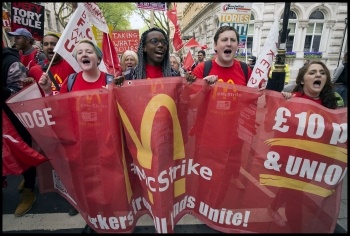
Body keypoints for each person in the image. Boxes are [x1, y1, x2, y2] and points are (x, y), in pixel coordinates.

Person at [38, 39, 113, 233]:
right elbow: (59, 110)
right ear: (77, 59)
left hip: (106, 146)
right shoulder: (71, 82)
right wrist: (47, 92)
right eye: (80, 53)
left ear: (98, 57)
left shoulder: (110, 80)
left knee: (107, 185)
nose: (84, 54)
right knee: (86, 186)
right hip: (80, 146)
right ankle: (93, 222)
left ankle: (109, 221)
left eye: (89, 51)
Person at [270, 61, 338, 231]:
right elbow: (273, 124)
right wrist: (283, 102)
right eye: (312, 72)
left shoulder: (331, 103)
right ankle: (296, 227)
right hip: (290, 159)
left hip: (314, 159)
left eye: (322, 73)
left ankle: (272, 207)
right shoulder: (293, 100)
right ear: (302, 80)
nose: (318, 75)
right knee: (296, 195)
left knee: (291, 188)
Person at [188, 26, 255, 196]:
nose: (229, 43)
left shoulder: (246, 71)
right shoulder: (203, 69)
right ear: (216, 46)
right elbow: (191, 104)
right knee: (205, 179)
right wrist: (204, 88)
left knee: (224, 180)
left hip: (233, 138)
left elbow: (252, 102)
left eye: (233, 40)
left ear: (237, 46)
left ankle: (216, 211)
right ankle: (202, 208)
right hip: (207, 137)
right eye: (224, 40)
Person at [28, 33, 78, 216]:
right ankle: (65, 191)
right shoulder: (35, 70)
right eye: (46, 44)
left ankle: (77, 199)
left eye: (54, 44)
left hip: (68, 124)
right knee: (57, 163)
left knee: (72, 163)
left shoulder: (73, 67)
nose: (50, 47)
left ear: (61, 46)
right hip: (47, 123)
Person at [2, 46, 37, 217]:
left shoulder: (12, 64)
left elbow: (19, 92)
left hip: (14, 120)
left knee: (22, 153)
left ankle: (29, 190)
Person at [115, 27, 179, 83]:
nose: (160, 45)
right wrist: (119, 84)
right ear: (144, 47)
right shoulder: (129, 74)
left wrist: (188, 84)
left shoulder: (175, 75)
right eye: (154, 41)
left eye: (164, 42)